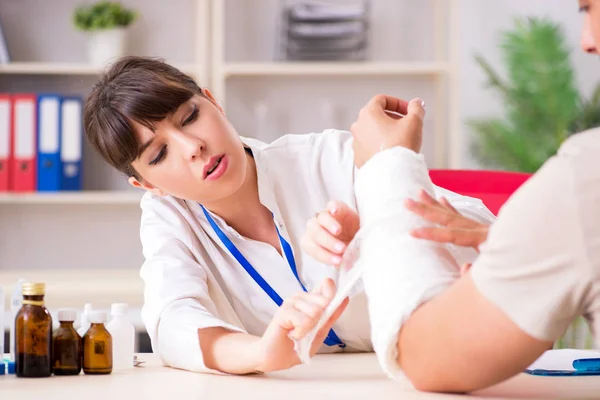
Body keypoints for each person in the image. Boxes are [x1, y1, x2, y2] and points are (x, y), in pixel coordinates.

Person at [83, 56, 493, 375]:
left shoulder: (327, 158)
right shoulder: (169, 216)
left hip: (427, 371)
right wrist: (260, 353)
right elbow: (171, 321)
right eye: (159, 154)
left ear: (213, 101)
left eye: (190, 116)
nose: (192, 146)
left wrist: (377, 233)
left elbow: (486, 235)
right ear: (145, 183)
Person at [301, 0, 600, 393]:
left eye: (589, 9)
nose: (586, 42)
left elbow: (426, 358)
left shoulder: (585, 176)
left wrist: (388, 167)